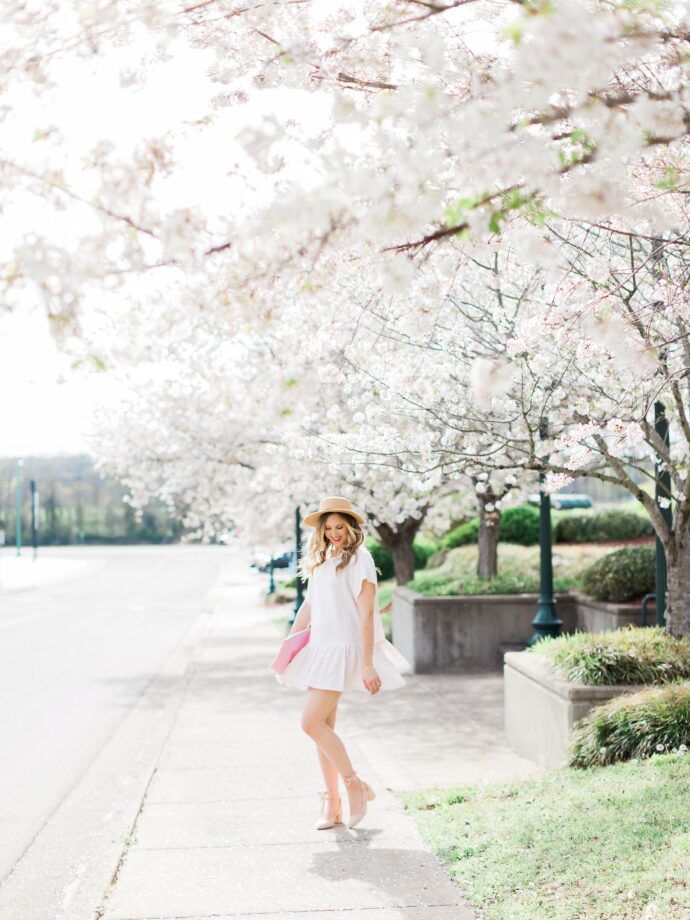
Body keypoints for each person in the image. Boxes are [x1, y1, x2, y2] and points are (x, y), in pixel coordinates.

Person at [274, 496, 410, 830]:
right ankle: (332, 804)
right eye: (329, 527)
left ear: (350, 527)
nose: (334, 533)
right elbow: (310, 605)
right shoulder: (323, 559)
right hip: (321, 649)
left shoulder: (360, 560)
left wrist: (367, 664)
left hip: (344, 650)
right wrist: (290, 645)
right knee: (324, 730)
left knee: (310, 723)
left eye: (340, 526)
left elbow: (365, 616)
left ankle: (355, 785)